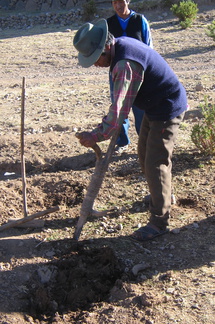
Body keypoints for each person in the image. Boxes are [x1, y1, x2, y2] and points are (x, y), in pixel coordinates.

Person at [73, 19, 188, 241]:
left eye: (95, 58)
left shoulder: (125, 64)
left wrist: (95, 136)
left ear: (106, 47)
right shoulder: (120, 45)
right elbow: (120, 107)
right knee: (144, 155)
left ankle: (159, 221)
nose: (95, 65)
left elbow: (118, 115)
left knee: (156, 163)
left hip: (166, 108)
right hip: (154, 106)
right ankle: (162, 195)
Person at [107, 0, 153, 151]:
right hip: (117, 72)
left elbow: (148, 47)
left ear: (128, 1)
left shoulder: (140, 20)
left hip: (139, 72)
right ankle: (122, 142)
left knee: (140, 107)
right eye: (114, 2)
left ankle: (144, 142)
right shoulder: (108, 24)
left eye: (121, 2)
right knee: (118, 107)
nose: (118, 6)